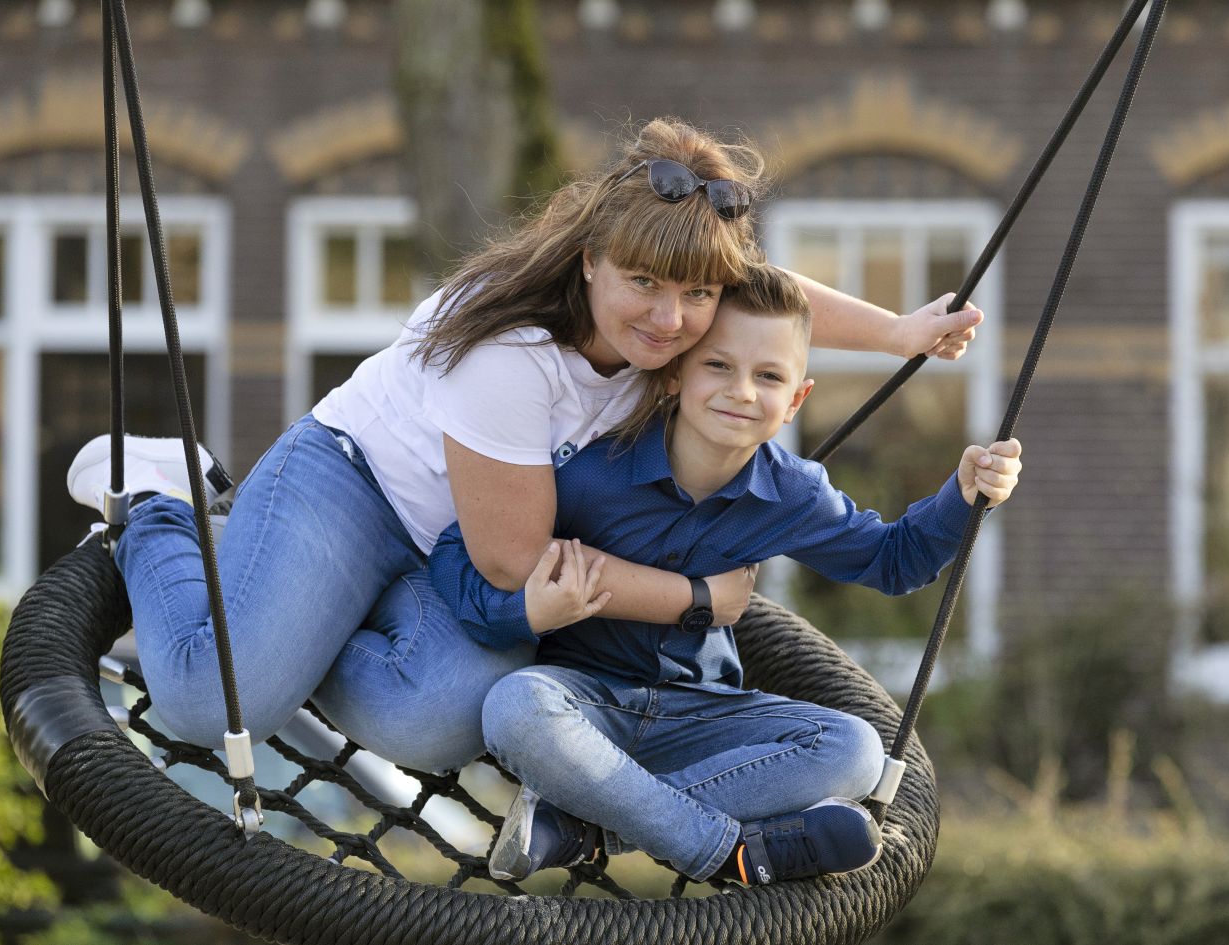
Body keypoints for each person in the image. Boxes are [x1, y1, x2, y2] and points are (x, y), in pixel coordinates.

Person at [64, 117, 985, 774]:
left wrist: (901, 333)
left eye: (695, 295)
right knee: (209, 701)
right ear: (590, 259)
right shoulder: (508, 353)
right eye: (643, 284)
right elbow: (512, 563)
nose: (671, 322)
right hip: (355, 487)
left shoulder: (680, 314)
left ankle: (298, 618)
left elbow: (768, 293)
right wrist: (694, 596)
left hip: (443, 554)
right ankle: (163, 497)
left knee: (437, 723)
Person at [426, 264, 1023, 885]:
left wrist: (964, 493)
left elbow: (894, 562)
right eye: (718, 366)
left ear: (796, 400)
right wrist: (525, 612)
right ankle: (730, 850)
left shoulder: (791, 494)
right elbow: (459, 555)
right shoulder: (593, 473)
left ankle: (585, 829)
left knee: (855, 750)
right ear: (677, 373)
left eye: (768, 377)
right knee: (515, 706)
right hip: (584, 707)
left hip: (703, 715)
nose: (741, 391)